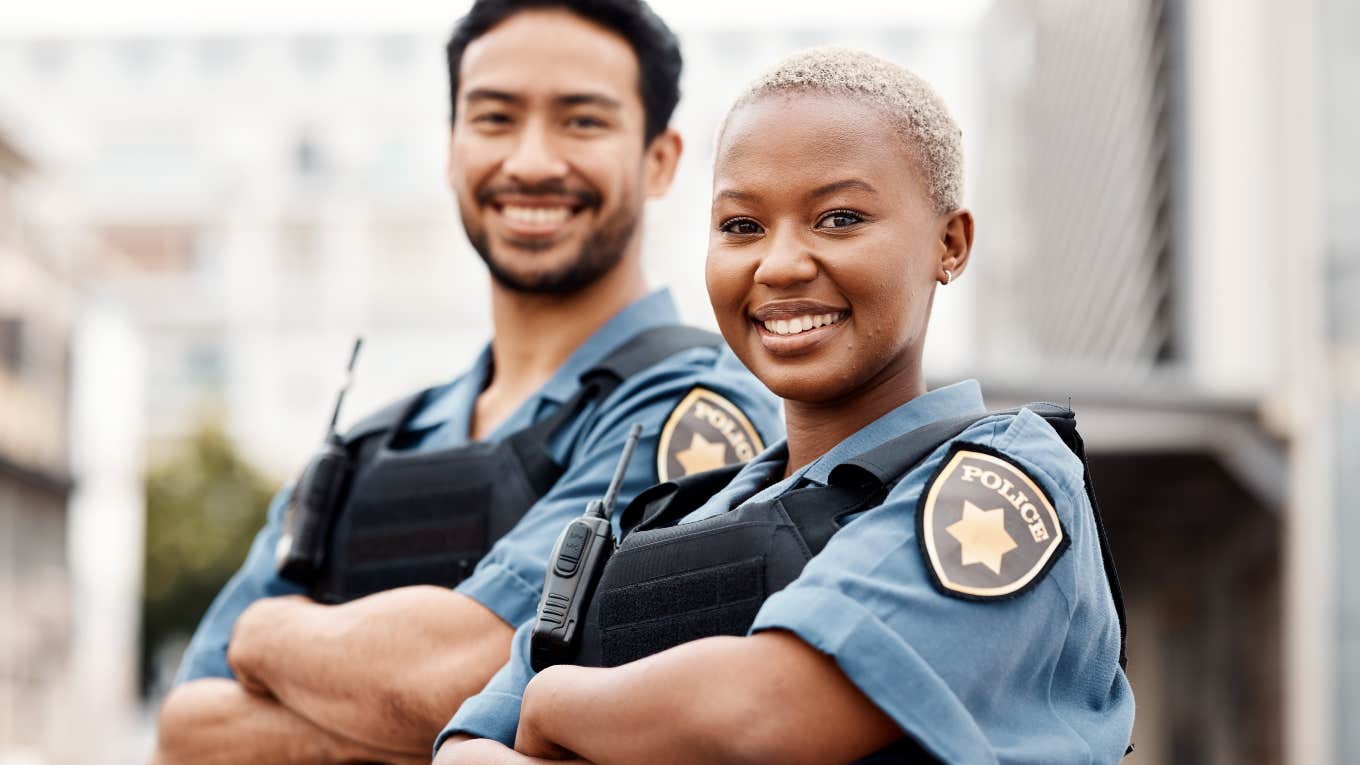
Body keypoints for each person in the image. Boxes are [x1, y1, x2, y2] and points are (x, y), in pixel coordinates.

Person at [434, 48, 1135, 765]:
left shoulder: (1001, 480)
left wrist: (555, 704)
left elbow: (765, 713)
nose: (780, 264)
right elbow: (463, 745)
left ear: (949, 244)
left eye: (838, 217)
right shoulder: (659, 520)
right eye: (742, 226)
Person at [151, 2, 783, 763]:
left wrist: (270, 635)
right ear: (451, 149)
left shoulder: (698, 414)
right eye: (493, 118)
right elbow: (186, 732)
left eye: (582, 121)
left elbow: (462, 674)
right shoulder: (364, 445)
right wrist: (405, 718)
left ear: (660, 159)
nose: (532, 161)